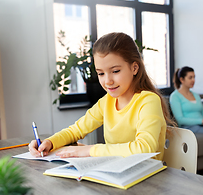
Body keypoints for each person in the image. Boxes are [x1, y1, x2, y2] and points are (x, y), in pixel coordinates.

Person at [29, 32, 173, 161]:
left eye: (115, 71)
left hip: (146, 180)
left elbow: (144, 148)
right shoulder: (107, 102)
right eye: (101, 73)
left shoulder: (148, 100)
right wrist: (49, 143)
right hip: (115, 174)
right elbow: (76, 130)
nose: (107, 81)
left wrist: (89, 150)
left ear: (134, 68)